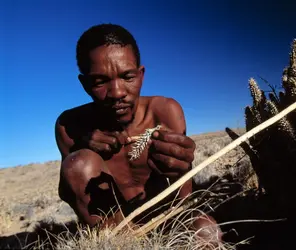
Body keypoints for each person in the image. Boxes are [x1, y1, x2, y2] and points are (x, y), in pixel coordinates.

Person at [55, 23, 222, 242]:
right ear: (85, 84)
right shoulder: (70, 125)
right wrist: (82, 150)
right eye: (100, 81)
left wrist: (180, 170)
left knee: (206, 233)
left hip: (168, 219)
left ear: (141, 75)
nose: (117, 92)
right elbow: (70, 193)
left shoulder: (165, 112)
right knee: (78, 164)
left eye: (128, 77)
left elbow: (184, 198)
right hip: (113, 232)